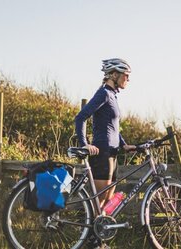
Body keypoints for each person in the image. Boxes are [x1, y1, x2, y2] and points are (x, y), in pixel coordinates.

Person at [75, 58, 136, 248]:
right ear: (114, 75)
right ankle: (89, 239)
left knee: (108, 199)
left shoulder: (112, 95)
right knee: (99, 198)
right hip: (101, 152)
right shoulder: (103, 94)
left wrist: (124, 144)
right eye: (126, 75)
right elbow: (80, 117)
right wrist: (84, 144)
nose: (128, 79)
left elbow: (112, 126)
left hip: (112, 152)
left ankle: (95, 239)